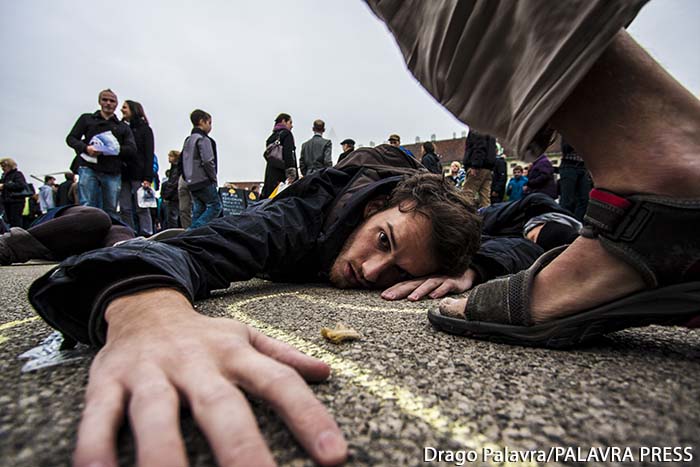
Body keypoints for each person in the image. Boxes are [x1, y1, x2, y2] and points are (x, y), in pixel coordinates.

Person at [26, 144, 555, 466]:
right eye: (382, 241)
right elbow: (198, 252)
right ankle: (17, 243)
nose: (370, 272)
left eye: (397, 272)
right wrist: (146, 309)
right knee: (99, 230)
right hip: (166, 237)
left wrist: (475, 267)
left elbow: (537, 219)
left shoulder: (431, 220)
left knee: (106, 230)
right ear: (373, 207)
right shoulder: (299, 218)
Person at [365, 1, 699, 348]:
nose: (372, 273)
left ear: (377, 205)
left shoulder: (381, 185)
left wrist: (479, 263)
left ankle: (662, 171)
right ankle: (668, 165)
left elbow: (521, 212)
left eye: (385, 240)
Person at [66, 89, 137, 221]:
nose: (108, 103)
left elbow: (132, 149)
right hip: (89, 167)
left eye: (112, 101)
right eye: (105, 100)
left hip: (112, 171)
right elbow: (71, 138)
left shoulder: (122, 127)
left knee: (111, 209)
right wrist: (86, 148)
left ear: (116, 104)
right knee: (87, 207)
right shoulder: (86, 119)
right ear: (99, 101)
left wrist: (112, 149)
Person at [119, 100, 155, 236]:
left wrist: (147, 177)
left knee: (142, 207)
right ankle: (128, 233)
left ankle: (147, 232)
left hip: (139, 173)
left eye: (125, 108)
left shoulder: (145, 130)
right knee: (125, 207)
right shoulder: (120, 128)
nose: (122, 110)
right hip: (123, 173)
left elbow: (149, 154)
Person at [181, 109, 221, 229]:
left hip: (190, 180)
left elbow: (182, 160)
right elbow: (208, 160)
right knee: (215, 206)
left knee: (199, 208)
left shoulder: (188, 140)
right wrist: (213, 178)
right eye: (209, 123)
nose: (210, 126)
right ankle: (193, 231)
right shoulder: (203, 139)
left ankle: (194, 232)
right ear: (202, 122)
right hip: (203, 179)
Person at [261, 113, 298, 199]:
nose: (292, 126)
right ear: (283, 121)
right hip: (282, 176)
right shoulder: (287, 134)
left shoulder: (271, 138)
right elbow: (288, 154)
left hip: (270, 175)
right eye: (290, 122)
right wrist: (291, 175)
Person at [462, 130, 497, 208]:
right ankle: (487, 217)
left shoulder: (477, 129)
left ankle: (465, 216)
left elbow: (479, 148)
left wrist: (475, 165)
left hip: (478, 167)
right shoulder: (489, 130)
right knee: (485, 197)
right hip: (488, 167)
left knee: (467, 195)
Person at [559, 139, 592, 221]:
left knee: (584, 199)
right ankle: (565, 223)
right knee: (567, 199)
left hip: (583, 167)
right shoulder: (571, 132)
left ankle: (577, 223)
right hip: (568, 165)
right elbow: (565, 148)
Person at [0, 158, 29, 227]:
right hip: (7, 202)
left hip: (16, 202)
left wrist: (5, 185)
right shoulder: (4, 177)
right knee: (9, 221)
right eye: (2, 166)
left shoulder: (17, 174)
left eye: (4, 166)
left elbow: (20, 185)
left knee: (16, 221)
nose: (3, 168)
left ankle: (17, 236)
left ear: (10, 166)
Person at [159, 150, 181, 229]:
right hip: (176, 195)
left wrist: (166, 195)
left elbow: (172, 183)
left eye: (170, 156)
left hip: (173, 196)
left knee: (172, 216)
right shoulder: (176, 168)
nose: (169, 158)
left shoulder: (175, 169)